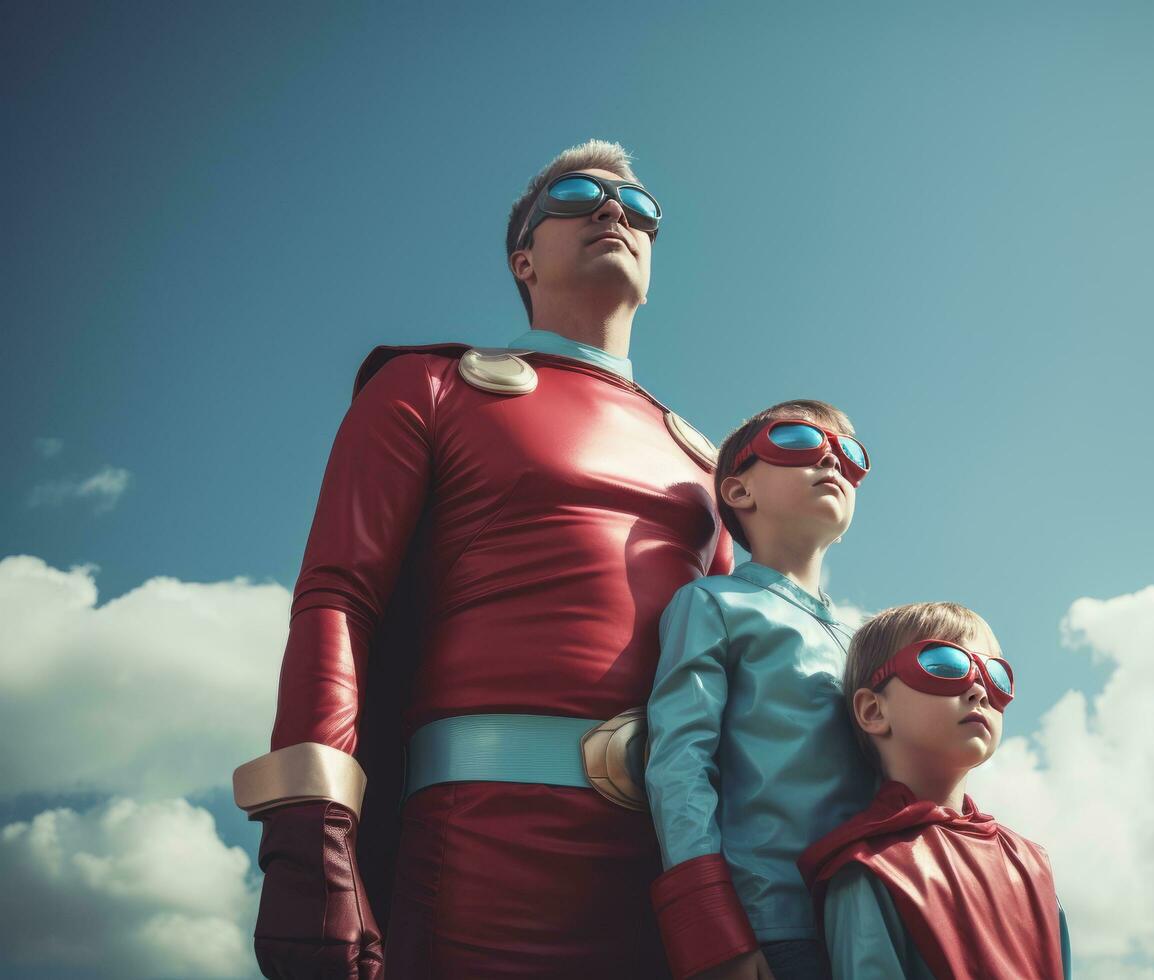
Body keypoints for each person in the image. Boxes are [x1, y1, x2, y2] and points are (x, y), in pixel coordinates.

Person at [232, 139, 733, 978]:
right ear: (522, 257)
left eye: (640, 207)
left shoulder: (713, 467)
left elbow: (727, 683)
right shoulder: (431, 385)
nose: (615, 211)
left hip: (661, 866)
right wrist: (308, 821)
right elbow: (338, 597)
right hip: (474, 849)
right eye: (577, 195)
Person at [645, 402, 877, 980]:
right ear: (739, 491)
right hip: (771, 927)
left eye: (850, 454)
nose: (832, 457)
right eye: (798, 440)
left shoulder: (867, 645)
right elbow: (679, 761)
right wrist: (712, 925)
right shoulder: (714, 604)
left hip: (874, 924)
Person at [798, 602, 1072, 980]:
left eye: (996, 677)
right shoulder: (869, 868)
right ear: (874, 711)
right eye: (945, 665)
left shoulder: (1031, 865)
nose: (979, 690)